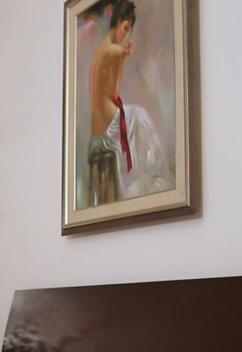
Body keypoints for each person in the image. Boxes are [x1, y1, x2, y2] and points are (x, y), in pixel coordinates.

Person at [87, 0, 170, 207]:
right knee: (139, 115)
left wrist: (122, 60)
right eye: (125, 28)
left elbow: (113, 91)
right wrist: (122, 54)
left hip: (110, 117)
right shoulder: (107, 50)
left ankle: (151, 173)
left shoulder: (112, 50)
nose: (127, 35)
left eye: (129, 31)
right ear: (117, 22)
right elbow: (113, 52)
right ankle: (149, 174)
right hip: (104, 127)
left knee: (138, 115)